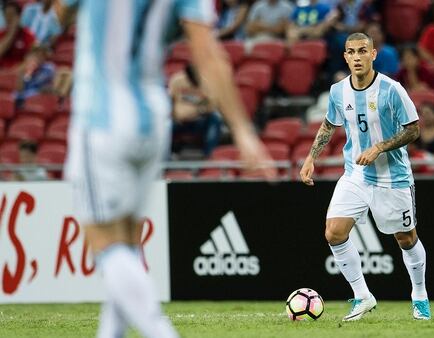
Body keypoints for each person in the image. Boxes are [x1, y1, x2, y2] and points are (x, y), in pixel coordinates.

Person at [55, 1, 275, 338]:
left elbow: (59, 14)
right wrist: (242, 130)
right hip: (154, 120)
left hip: (101, 119)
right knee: (127, 243)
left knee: (106, 245)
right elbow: (206, 51)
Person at [300, 32, 430, 321]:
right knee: (333, 232)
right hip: (355, 175)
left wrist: (379, 147)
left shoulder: (391, 89)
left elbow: (413, 129)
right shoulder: (338, 91)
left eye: (362, 51)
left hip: (391, 177)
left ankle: (419, 295)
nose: (357, 57)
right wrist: (311, 157)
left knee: (406, 239)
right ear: (345, 56)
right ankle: (362, 296)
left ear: (373, 54)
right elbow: (328, 124)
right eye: (351, 52)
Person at [169, 63, 223, 158]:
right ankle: (167, 157)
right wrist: (173, 115)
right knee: (165, 125)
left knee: (216, 118)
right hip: (179, 121)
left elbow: (212, 106)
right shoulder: (177, 81)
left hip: (199, 120)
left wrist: (199, 112)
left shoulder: (207, 83)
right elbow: (170, 100)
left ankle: (209, 156)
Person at [0, 2, 35, 68]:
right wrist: (11, 33)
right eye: (6, 15)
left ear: (19, 16)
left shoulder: (28, 35)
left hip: (18, 72)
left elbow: (31, 58)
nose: (9, 18)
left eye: (11, 15)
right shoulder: (2, 34)